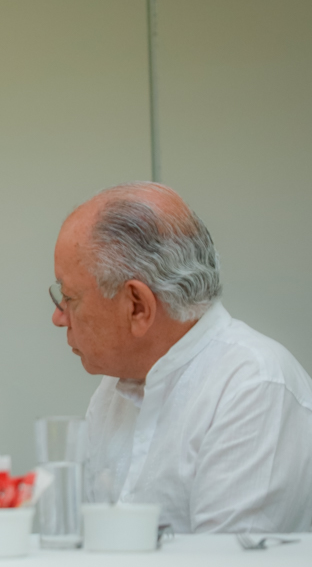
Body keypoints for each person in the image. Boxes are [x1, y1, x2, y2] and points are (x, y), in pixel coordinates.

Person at [51, 182, 312, 533]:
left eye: (69, 298)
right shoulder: (113, 390)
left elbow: (225, 559)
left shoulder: (253, 386)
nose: (58, 317)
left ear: (137, 306)